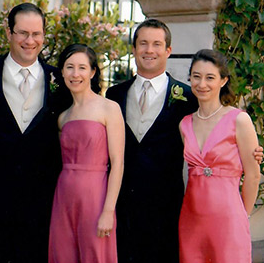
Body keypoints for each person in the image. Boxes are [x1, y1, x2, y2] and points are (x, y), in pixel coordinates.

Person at [105, 19, 263, 263]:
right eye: (143, 43)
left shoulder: (188, 97)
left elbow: (225, 140)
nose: (149, 50)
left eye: (157, 44)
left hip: (170, 210)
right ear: (134, 48)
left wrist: (252, 154)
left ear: (168, 50)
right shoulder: (114, 95)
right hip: (125, 207)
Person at [0, 2, 71, 263]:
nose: (29, 41)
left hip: (40, 200)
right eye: (23, 33)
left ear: (44, 35)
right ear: (9, 33)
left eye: (36, 34)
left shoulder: (60, 80)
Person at [178, 49, 260, 263]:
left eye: (210, 77)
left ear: (223, 81)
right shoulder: (184, 124)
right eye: (196, 76)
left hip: (229, 221)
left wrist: (243, 215)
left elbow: (252, 175)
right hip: (191, 221)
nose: (201, 84)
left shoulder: (239, 120)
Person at [48, 44, 124, 263]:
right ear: (62, 71)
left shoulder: (109, 108)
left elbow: (118, 163)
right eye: (69, 67)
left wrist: (108, 211)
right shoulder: (63, 117)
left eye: (82, 67)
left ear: (92, 72)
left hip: (95, 197)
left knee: (95, 255)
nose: (75, 74)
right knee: (63, 255)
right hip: (64, 196)